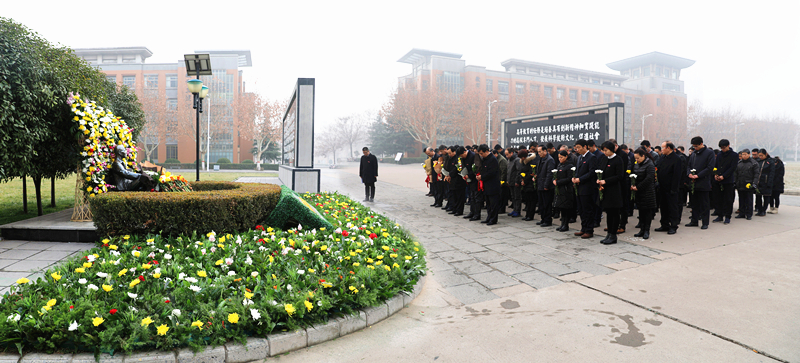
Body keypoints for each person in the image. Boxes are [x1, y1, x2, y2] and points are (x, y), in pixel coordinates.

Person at [597, 141, 624, 245]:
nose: (604, 152)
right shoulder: (604, 159)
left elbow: (619, 176)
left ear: (612, 150)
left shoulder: (618, 160)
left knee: (614, 213)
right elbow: (600, 171)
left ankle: (613, 235)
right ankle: (609, 234)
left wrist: (606, 181)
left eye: (606, 150)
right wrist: (599, 181)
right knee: (608, 213)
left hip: (614, 191)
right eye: (603, 150)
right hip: (605, 190)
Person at [686, 136, 715, 229]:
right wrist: (689, 174)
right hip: (693, 182)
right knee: (694, 203)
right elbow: (688, 166)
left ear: (701, 144)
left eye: (696, 146)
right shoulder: (693, 154)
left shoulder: (709, 153)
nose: (695, 148)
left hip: (703, 182)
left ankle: (705, 222)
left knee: (704, 204)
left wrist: (698, 175)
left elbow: (710, 168)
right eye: (693, 146)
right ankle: (694, 220)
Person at [572, 139, 598, 239]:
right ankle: (583, 228)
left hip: (588, 188)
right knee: (581, 209)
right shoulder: (579, 158)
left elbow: (592, 173)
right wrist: (574, 178)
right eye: (576, 147)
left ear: (585, 146)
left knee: (588, 210)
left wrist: (580, 179)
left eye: (578, 147)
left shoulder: (592, 157)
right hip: (579, 187)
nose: (577, 149)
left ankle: (589, 230)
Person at [655, 142, 682, 234]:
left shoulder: (676, 158)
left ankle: (673, 226)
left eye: (663, 148)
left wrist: (674, 189)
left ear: (669, 148)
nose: (661, 150)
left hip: (671, 188)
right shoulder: (662, 157)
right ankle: (664, 224)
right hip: (662, 187)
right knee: (663, 207)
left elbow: (677, 175)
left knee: (672, 208)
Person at [631, 148, 657, 239]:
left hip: (648, 192)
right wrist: (633, 184)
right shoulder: (636, 165)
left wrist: (638, 187)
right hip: (638, 192)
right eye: (635, 158)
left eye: (638, 158)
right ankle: (641, 230)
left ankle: (646, 230)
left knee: (647, 213)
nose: (636, 160)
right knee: (641, 212)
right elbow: (634, 175)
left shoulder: (650, 164)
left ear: (643, 156)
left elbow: (649, 179)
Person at [713, 139, 738, 224]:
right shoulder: (719, 155)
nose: (722, 149)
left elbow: (732, 168)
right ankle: (719, 215)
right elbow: (716, 165)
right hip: (718, 180)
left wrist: (724, 176)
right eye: (721, 148)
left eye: (724, 148)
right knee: (718, 199)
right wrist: (715, 174)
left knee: (728, 199)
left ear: (728, 146)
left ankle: (727, 216)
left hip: (728, 180)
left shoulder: (734, 155)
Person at [478, 144, 502, 225]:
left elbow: (491, 173)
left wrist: (482, 177)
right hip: (486, 185)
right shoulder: (484, 159)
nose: (481, 155)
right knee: (488, 203)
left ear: (486, 151)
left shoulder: (492, 159)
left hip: (493, 185)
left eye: (482, 153)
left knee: (493, 204)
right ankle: (489, 217)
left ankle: (493, 219)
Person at [553, 150, 576, 232]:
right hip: (560, 189)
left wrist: (558, 182)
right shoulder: (559, 165)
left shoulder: (569, 166)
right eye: (559, 157)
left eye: (561, 157)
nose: (560, 159)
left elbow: (569, 178)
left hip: (566, 190)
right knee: (561, 208)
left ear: (566, 156)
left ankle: (566, 225)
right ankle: (562, 224)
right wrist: (554, 180)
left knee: (566, 208)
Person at [734, 149, 758, 220]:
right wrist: (735, 182)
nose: (743, 156)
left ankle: (749, 214)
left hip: (749, 184)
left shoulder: (753, 163)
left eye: (745, 154)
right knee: (741, 199)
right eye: (742, 154)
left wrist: (754, 183)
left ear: (749, 154)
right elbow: (736, 174)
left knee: (749, 200)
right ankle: (741, 213)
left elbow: (756, 174)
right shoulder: (739, 163)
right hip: (740, 184)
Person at [536, 145, 556, 227]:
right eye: (538, 152)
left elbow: (549, 174)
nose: (539, 153)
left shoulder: (550, 160)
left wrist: (546, 185)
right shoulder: (541, 159)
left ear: (545, 151)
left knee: (547, 204)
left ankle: (548, 220)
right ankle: (543, 219)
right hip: (540, 184)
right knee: (541, 204)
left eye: (540, 151)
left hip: (546, 186)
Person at [461, 146, 481, 221]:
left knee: (476, 197)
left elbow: (476, 168)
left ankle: (477, 214)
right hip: (469, 180)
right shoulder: (463, 158)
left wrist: (469, 175)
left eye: (461, 155)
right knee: (471, 197)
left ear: (464, 152)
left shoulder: (473, 156)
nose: (461, 157)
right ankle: (472, 212)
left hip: (475, 179)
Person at [447, 146, 467, 216]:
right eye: (448, 153)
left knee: (459, 197)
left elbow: (457, 168)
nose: (449, 154)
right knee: (454, 196)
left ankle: (459, 210)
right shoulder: (450, 159)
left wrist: (450, 174)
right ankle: (454, 209)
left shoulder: (458, 159)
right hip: (452, 180)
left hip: (459, 181)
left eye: (450, 153)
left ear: (454, 152)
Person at [754, 149, 775, 216]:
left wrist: (769, 182)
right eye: (759, 155)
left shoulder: (770, 162)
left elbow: (772, 173)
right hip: (758, 182)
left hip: (766, 182)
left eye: (762, 155)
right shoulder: (759, 161)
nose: (760, 157)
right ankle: (759, 210)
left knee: (766, 197)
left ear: (766, 154)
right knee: (758, 197)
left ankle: (763, 210)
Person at [520, 149, 538, 221]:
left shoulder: (531, 162)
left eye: (522, 157)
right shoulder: (522, 162)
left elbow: (531, 173)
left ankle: (530, 215)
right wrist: (521, 180)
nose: (521, 159)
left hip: (530, 184)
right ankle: (527, 215)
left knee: (531, 201)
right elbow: (521, 172)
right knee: (527, 201)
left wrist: (525, 180)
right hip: (525, 184)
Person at [506, 148, 522, 217]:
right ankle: (514, 209)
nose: (506, 156)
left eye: (507, 154)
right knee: (513, 197)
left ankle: (517, 210)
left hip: (515, 182)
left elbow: (519, 171)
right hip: (510, 181)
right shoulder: (509, 160)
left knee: (517, 197)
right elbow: (508, 171)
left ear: (511, 153)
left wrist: (517, 181)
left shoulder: (517, 160)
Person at [493, 147, 509, 213]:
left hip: (503, 181)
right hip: (499, 180)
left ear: (496, 153)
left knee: (502, 196)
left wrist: (502, 181)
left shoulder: (501, 160)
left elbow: (503, 172)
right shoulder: (497, 159)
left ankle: (502, 209)